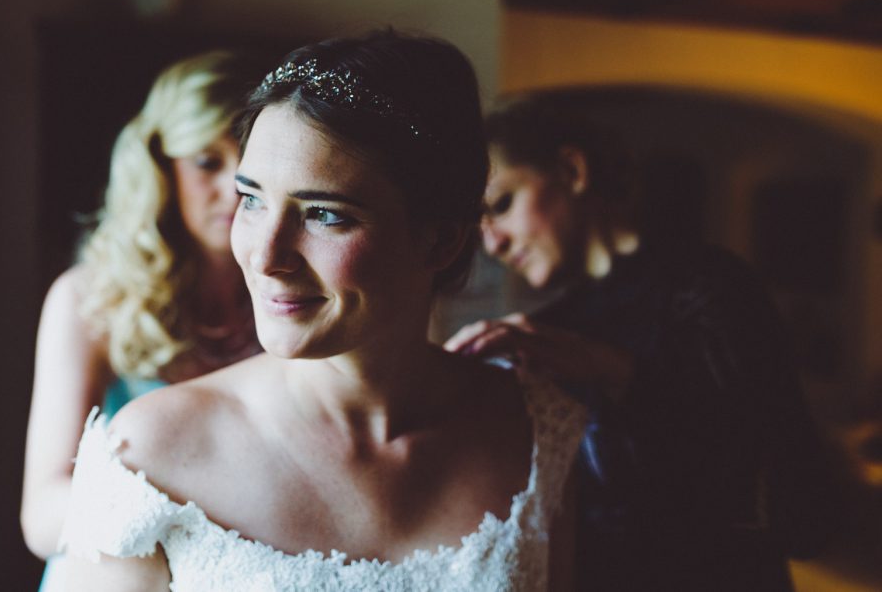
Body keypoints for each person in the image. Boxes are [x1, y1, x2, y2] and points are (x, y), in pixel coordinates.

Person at [58, 30, 587, 591]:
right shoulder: (150, 455)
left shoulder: (534, 432)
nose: (265, 257)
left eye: (324, 215)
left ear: (440, 240)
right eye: (251, 199)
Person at [445, 94, 837, 591]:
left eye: (502, 205)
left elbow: (766, 465)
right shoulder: (545, 330)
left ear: (572, 169)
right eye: (480, 227)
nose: (493, 244)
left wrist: (610, 367)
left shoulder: (710, 286)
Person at [21, 50, 266, 591]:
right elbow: (41, 516)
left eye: (250, 162)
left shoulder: (296, 301)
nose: (234, 185)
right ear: (160, 167)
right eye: (207, 161)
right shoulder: (90, 300)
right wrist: (187, 507)